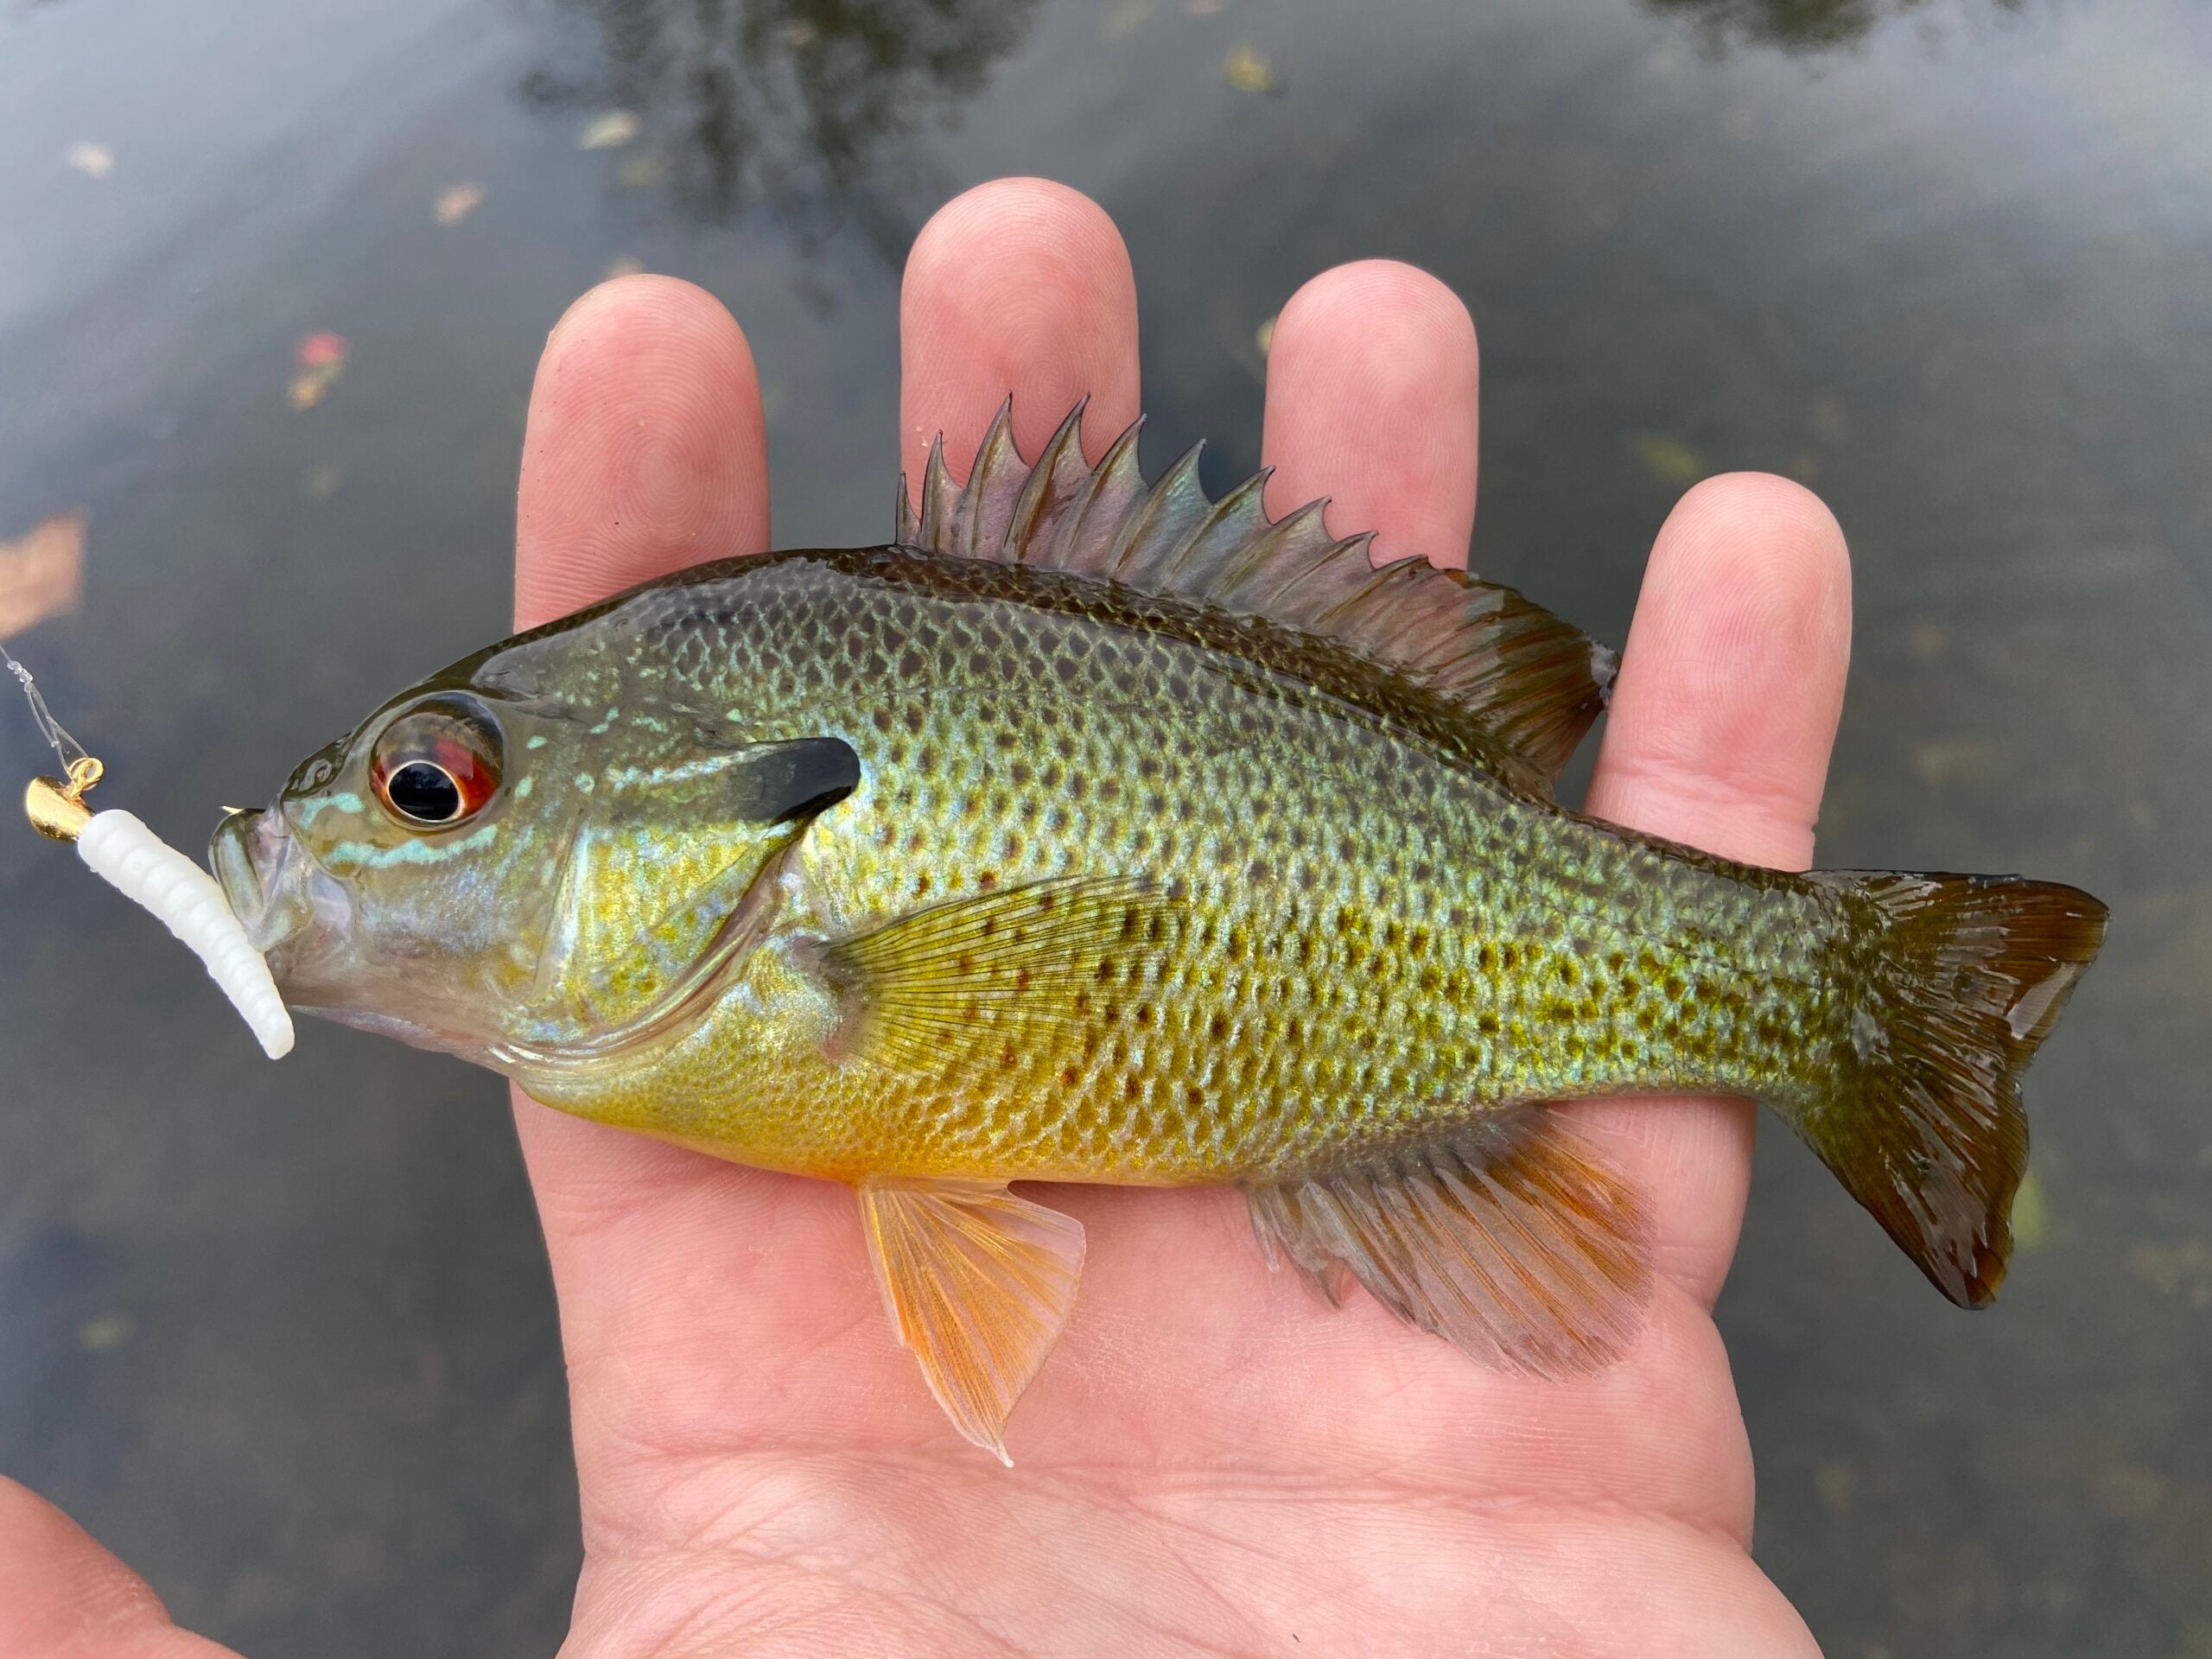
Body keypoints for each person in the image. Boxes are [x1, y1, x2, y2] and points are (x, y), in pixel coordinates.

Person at [0, 178, 1847, 1657]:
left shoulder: (760, 992)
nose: (353, 840)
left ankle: (1838, 993)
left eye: (433, 791)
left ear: (724, 828)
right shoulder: (699, 1015)